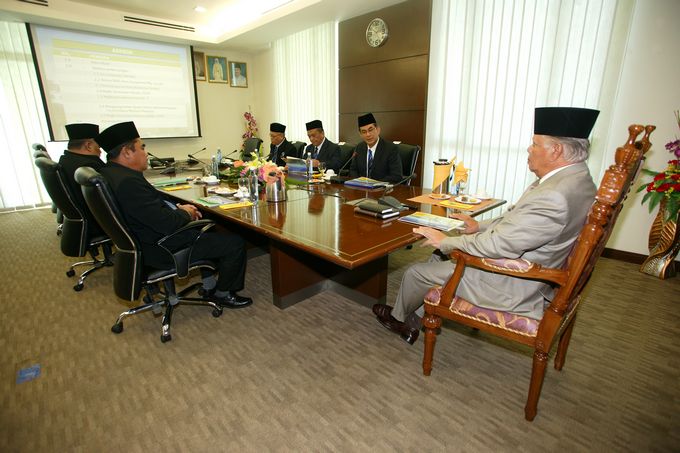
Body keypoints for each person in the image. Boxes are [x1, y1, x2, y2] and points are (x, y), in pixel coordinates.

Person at [373, 107, 600, 344]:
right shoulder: (579, 180)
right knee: (438, 255)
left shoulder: (554, 195)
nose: (528, 149)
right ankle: (414, 319)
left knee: (415, 272)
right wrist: (478, 226)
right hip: (533, 268)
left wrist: (447, 240)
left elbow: (498, 245)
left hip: (511, 283)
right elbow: (516, 218)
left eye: (535, 144)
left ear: (556, 151)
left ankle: (399, 319)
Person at [96, 121, 252, 308]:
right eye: (142, 148)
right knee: (235, 243)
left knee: (208, 227)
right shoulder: (128, 183)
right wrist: (185, 213)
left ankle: (209, 284)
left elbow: (149, 209)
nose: (146, 153)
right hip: (161, 247)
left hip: (142, 240)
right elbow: (167, 223)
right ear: (127, 152)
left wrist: (175, 208)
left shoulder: (111, 174)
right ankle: (224, 294)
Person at [59, 123, 107, 238]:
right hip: (99, 222)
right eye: (98, 147)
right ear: (89, 145)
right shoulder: (90, 166)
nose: (100, 151)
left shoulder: (65, 159)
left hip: (80, 219)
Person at [349, 113, 403, 183]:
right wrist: (359, 182)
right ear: (360, 134)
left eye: (370, 130)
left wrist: (374, 184)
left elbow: (396, 176)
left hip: (381, 188)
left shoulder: (391, 149)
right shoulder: (359, 148)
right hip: (361, 187)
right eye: (364, 132)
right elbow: (353, 170)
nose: (368, 134)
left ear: (378, 130)